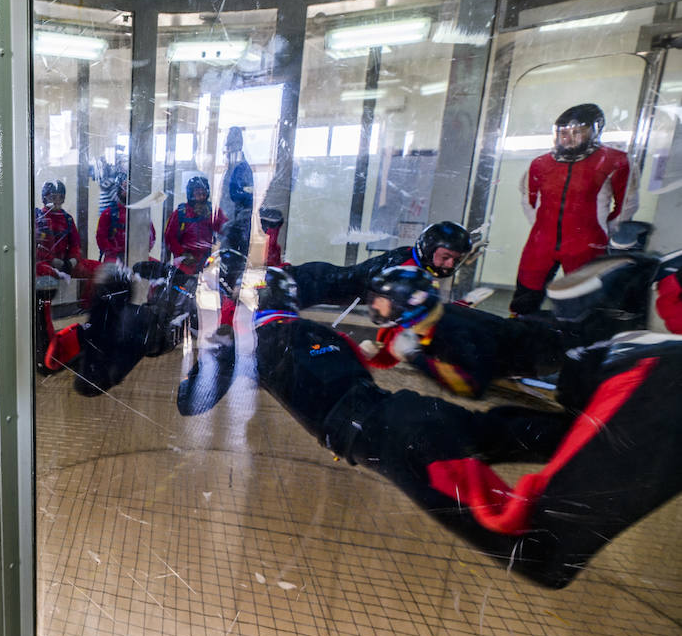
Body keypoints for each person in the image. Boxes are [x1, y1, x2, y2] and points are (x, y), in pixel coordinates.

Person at [251, 266, 682, 589]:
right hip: (410, 413)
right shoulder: (426, 323)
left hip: (405, 429)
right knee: (502, 431)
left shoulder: (448, 329)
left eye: (382, 304)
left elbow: (468, 384)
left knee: (535, 551)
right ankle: (589, 421)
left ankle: (625, 369)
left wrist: (416, 358)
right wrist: (397, 354)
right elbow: (379, 357)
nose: (375, 310)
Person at [359, 266, 560, 398]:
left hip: (547, 352)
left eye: (381, 300)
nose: (375, 305)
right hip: (538, 330)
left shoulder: (451, 336)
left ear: (404, 304)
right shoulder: (432, 319)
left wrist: (415, 357)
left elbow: (471, 386)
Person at [512, 102, 635, 315]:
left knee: (582, 300)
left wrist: (604, 230)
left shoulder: (615, 161)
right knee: (526, 292)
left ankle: (575, 341)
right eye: (563, 133)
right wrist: (543, 226)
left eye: (577, 132)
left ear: (594, 131)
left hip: (587, 242)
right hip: (541, 242)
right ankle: (517, 333)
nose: (568, 139)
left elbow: (626, 203)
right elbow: (529, 199)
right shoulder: (540, 163)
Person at [286, 219, 472, 310]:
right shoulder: (406, 270)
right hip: (315, 283)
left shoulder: (410, 255)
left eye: (456, 259)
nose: (450, 264)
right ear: (430, 249)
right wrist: (456, 309)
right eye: (446, 257)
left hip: (319, 278)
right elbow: (419, 313)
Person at [164, 174, 224, 275]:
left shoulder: (212, 211)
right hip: (184, 262)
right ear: (191, 193)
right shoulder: (181, 212)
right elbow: (169, 237)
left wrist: (212, 219)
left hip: (206, 261)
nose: (201, 196)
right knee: (184, 286)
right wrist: (182, 254)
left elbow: (224, 230)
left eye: (203, 192)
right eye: (197, 192)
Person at [95, 171, 154, 263]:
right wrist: (115, 252)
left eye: (130, 188)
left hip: (137, 256)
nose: (128, 192)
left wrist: (140, 252)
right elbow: (101, 239)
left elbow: (150, 237)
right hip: (114, 258)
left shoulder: (141, 213)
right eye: (125, 188)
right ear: (118, 190)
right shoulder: (108, 214)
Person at [221, 126, 254, 255]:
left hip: (236, 228)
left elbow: (244, 200)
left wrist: (234, 227)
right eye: (228, 143)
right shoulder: (231, 168)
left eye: (231, 143)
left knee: (234, 262)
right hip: (228, 226)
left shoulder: (242, 168)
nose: (228, 147)